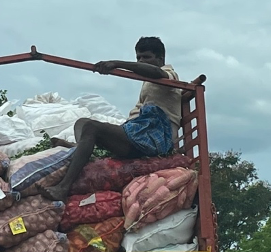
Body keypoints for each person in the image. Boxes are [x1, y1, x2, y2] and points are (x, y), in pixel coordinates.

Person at [39, 36, 181, 202]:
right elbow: (137, 113)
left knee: (92, 127)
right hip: (141, 133)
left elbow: (156, 72)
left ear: (160, 59)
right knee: (84, 123)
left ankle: (63, 188)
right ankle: (81, 148)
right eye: (138, 58)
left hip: (155, 137)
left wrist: (117, 63)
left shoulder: (169, 74)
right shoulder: (149, 83)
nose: (141, 61)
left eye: (146, 57)